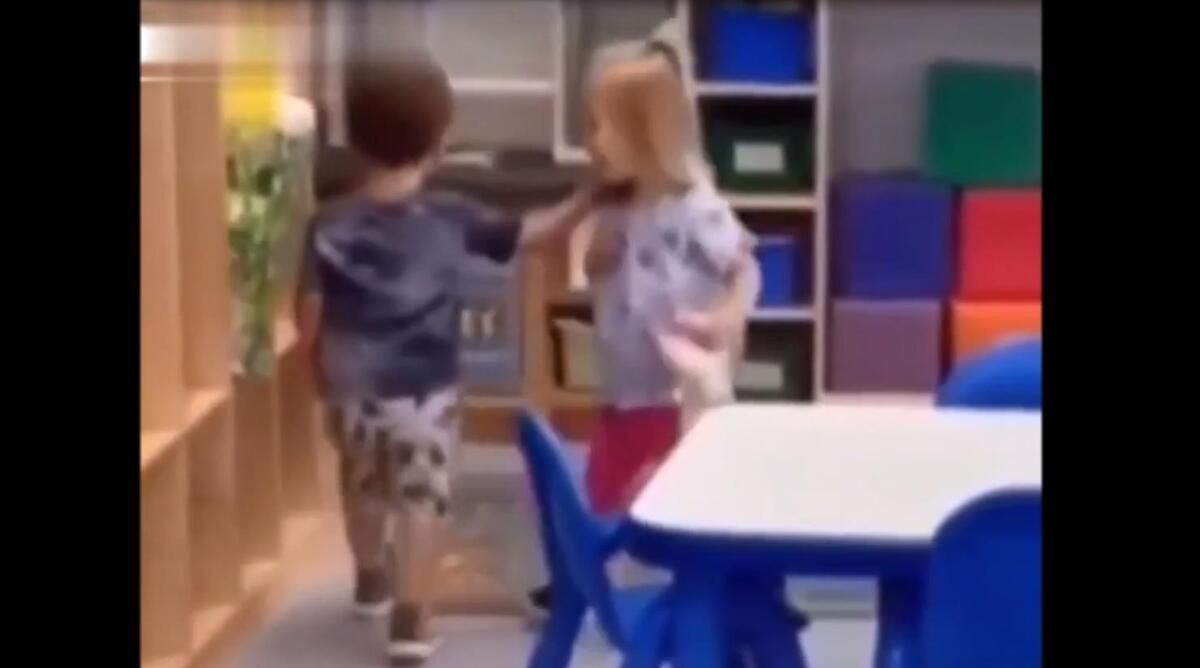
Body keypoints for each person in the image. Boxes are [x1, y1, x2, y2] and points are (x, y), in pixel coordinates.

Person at [293, 51, 594, 665]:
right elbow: (529, 233)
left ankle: (371, 579)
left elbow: (309, 310)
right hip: (425, 394)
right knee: (421, 501)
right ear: (439, 142)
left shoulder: (328, 223)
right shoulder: (450, 214)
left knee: (361, 487)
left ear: (354, 139)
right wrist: (585, 201)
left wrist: (316, 373)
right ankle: (411, 620)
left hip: (352, 389)